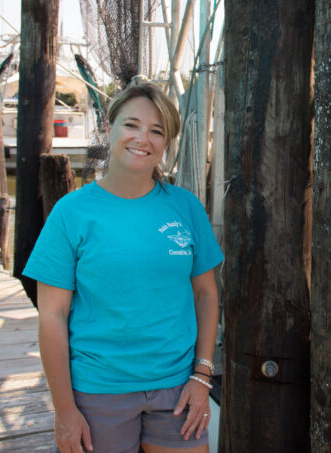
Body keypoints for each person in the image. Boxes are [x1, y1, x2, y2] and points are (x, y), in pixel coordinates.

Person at [23, 78, 224, 453]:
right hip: (99, 392)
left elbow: (206, 295)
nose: (142, 139)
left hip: (178, 391)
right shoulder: (71, 213)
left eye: (156, 131)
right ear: (109, 127)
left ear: (166, 143)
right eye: (131, 125)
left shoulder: (186, 207)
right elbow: (52, 316)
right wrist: (64, 410)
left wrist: (202, 375)